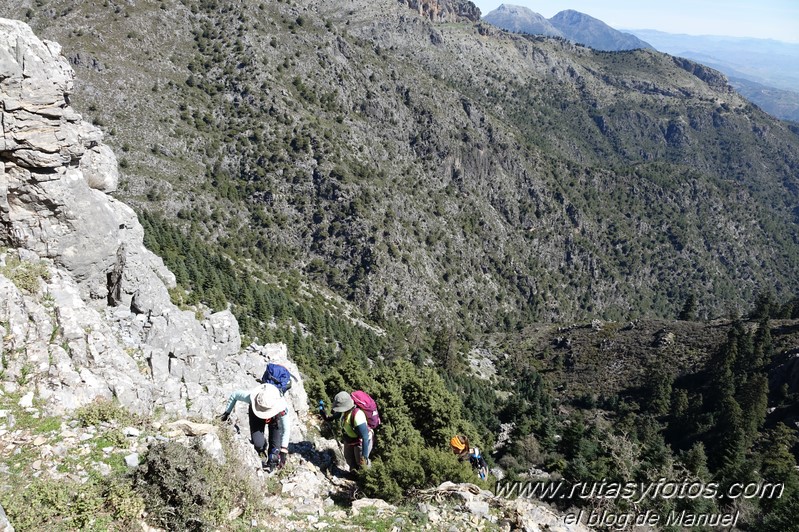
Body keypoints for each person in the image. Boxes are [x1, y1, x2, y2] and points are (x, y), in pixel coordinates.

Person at [221, 382, 291, 471]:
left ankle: (271, 457)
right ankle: (263, 445)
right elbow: (235, 395)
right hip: (256, 415)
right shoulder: (252, 398)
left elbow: (286, 429)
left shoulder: (282, 407)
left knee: (275, 453)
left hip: (275, 418)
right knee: (258, 445)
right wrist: (226, 413)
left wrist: (283, 450)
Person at [327, 391, 373, 472]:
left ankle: (366, 478)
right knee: (349, 458)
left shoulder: (357, 415)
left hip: (361, 442)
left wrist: (364, 457)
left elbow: (365, 437)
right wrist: (324, 414)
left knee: (361, 463)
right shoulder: (343, 412)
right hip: (350, 439)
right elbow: (332, 417)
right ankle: (353, 475)